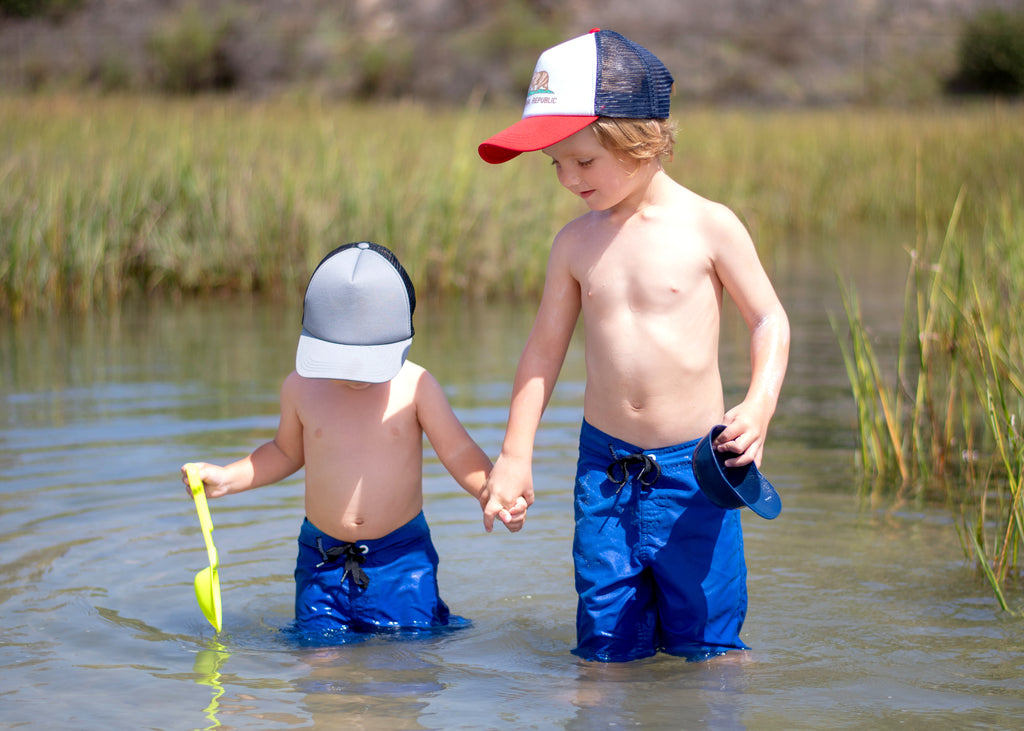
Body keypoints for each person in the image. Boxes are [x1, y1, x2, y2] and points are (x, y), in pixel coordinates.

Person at [477, 29, 790, 662]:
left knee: (709, 648)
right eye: (555, 164)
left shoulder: (710, 226)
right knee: (605, 650)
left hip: (697, 475)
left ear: (640, 140)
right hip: (606, 473)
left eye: (583, 161)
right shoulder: (574, 244)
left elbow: (769, 321)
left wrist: (758, 406)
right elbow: (542, 352)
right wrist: (514, 454)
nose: (568, 179)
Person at [181, 241, 527, 638]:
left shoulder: (415, 386)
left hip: (400, 561)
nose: (356, 375)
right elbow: (283, 451)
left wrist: (491, 490)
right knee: (320, 669)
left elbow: (457, 450)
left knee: (405, 667)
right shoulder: (301, 388)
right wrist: (228, 478)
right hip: (320, 560)